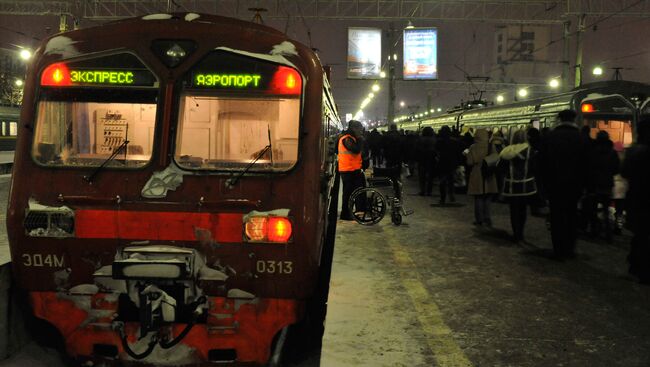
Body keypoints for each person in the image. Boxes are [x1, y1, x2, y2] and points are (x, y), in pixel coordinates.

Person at [541, 110, 587, 259]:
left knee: (556, 217)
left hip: (554, 186)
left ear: (559, 119)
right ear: (574, 119)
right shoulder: (581, 138)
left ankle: (558, 249)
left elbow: (542, 163)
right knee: (572, 216)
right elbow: (587, 165)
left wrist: (544, 186)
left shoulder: (550, 137)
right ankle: (570, 249)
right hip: (575, 186)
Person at [622, 118, 650, 283]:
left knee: (640, 233)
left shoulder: (635, 151)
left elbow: (625, 172)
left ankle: (637, 265)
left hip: (638, 198)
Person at [499, 129, 538, 243]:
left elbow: (501, 168)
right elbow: (534, 168)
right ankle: (520, 233)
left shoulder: (506, 152)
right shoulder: (530, 151)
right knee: (522, 210)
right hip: (526, 186)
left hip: (510, 186)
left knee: (513, 210)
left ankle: (515, 233)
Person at [584, 131, 619, 242]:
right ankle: (608, 234)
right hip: (607, 184)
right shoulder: (613, 152)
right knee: (606, 209)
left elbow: (588, 168)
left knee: (592, 209)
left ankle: (594, 231)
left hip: (594, 184)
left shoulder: (593, 152)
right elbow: (616, 169)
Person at [466, 128, 499, 226]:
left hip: (477, 173)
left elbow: (469, 162)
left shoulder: (472, 147)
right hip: (488, 173)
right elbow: (496, 158)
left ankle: (479, 219)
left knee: (478, 198)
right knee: (488, 198)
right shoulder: (490, 146)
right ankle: (487, 218)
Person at [338, 120, 365, 221]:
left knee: (356, 191)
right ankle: (345, 214)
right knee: (348, 194)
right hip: (348, 171)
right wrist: (360, 140)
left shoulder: (351, 138)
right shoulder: (346, 139)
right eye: (359, 129)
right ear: (354, 128)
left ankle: (358, 210)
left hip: (353, 170)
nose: (360, 131)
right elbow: (356, 149)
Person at [436, 125, 463, 204]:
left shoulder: (439, 141)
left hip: (442, 163)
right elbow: (458, 152)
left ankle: (442, 198)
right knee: (451, 180)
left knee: (442, 182)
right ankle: (451, 195)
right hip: (452, 163)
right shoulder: (455, 141)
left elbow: (437, 152)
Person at [415, 126, 437, 196]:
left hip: (422, 160)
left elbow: (416, 149)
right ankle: (429, 191)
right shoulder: (434, 140)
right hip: (431, 160)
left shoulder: (420, 139)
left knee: (422, 176)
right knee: (430, 176)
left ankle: (422, 190)